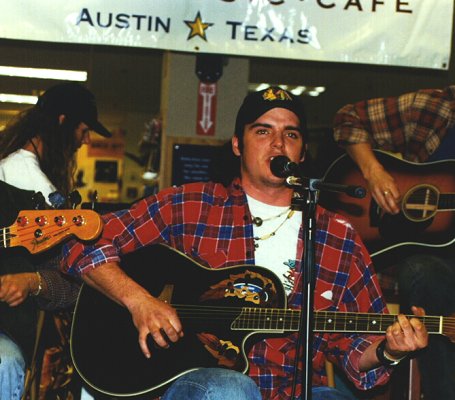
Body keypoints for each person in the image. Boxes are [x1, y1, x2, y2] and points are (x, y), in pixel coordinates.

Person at [62, 87, 428, 400]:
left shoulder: (338, 236)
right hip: (200, 383)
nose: (278, 144)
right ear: (237, 144)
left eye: (291, 134)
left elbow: (353, 348)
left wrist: (388, 350)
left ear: (301, 153)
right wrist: (139, 301)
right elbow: (81, 242)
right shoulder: (190, 207)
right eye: (263, 131)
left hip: (292, 388)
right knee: (231, 390)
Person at [333, 86, 455, 399]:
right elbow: (348, 119)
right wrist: (373, 172)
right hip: (419, 266)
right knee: (424, 272)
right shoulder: (436, 107)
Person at [0, 81, 112, 400]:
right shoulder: (28, 180)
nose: (86, 140)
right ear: (63, 122)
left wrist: (32, 282)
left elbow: (58, 273)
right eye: (84, 129)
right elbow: (66, 267)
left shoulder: (17, 170)